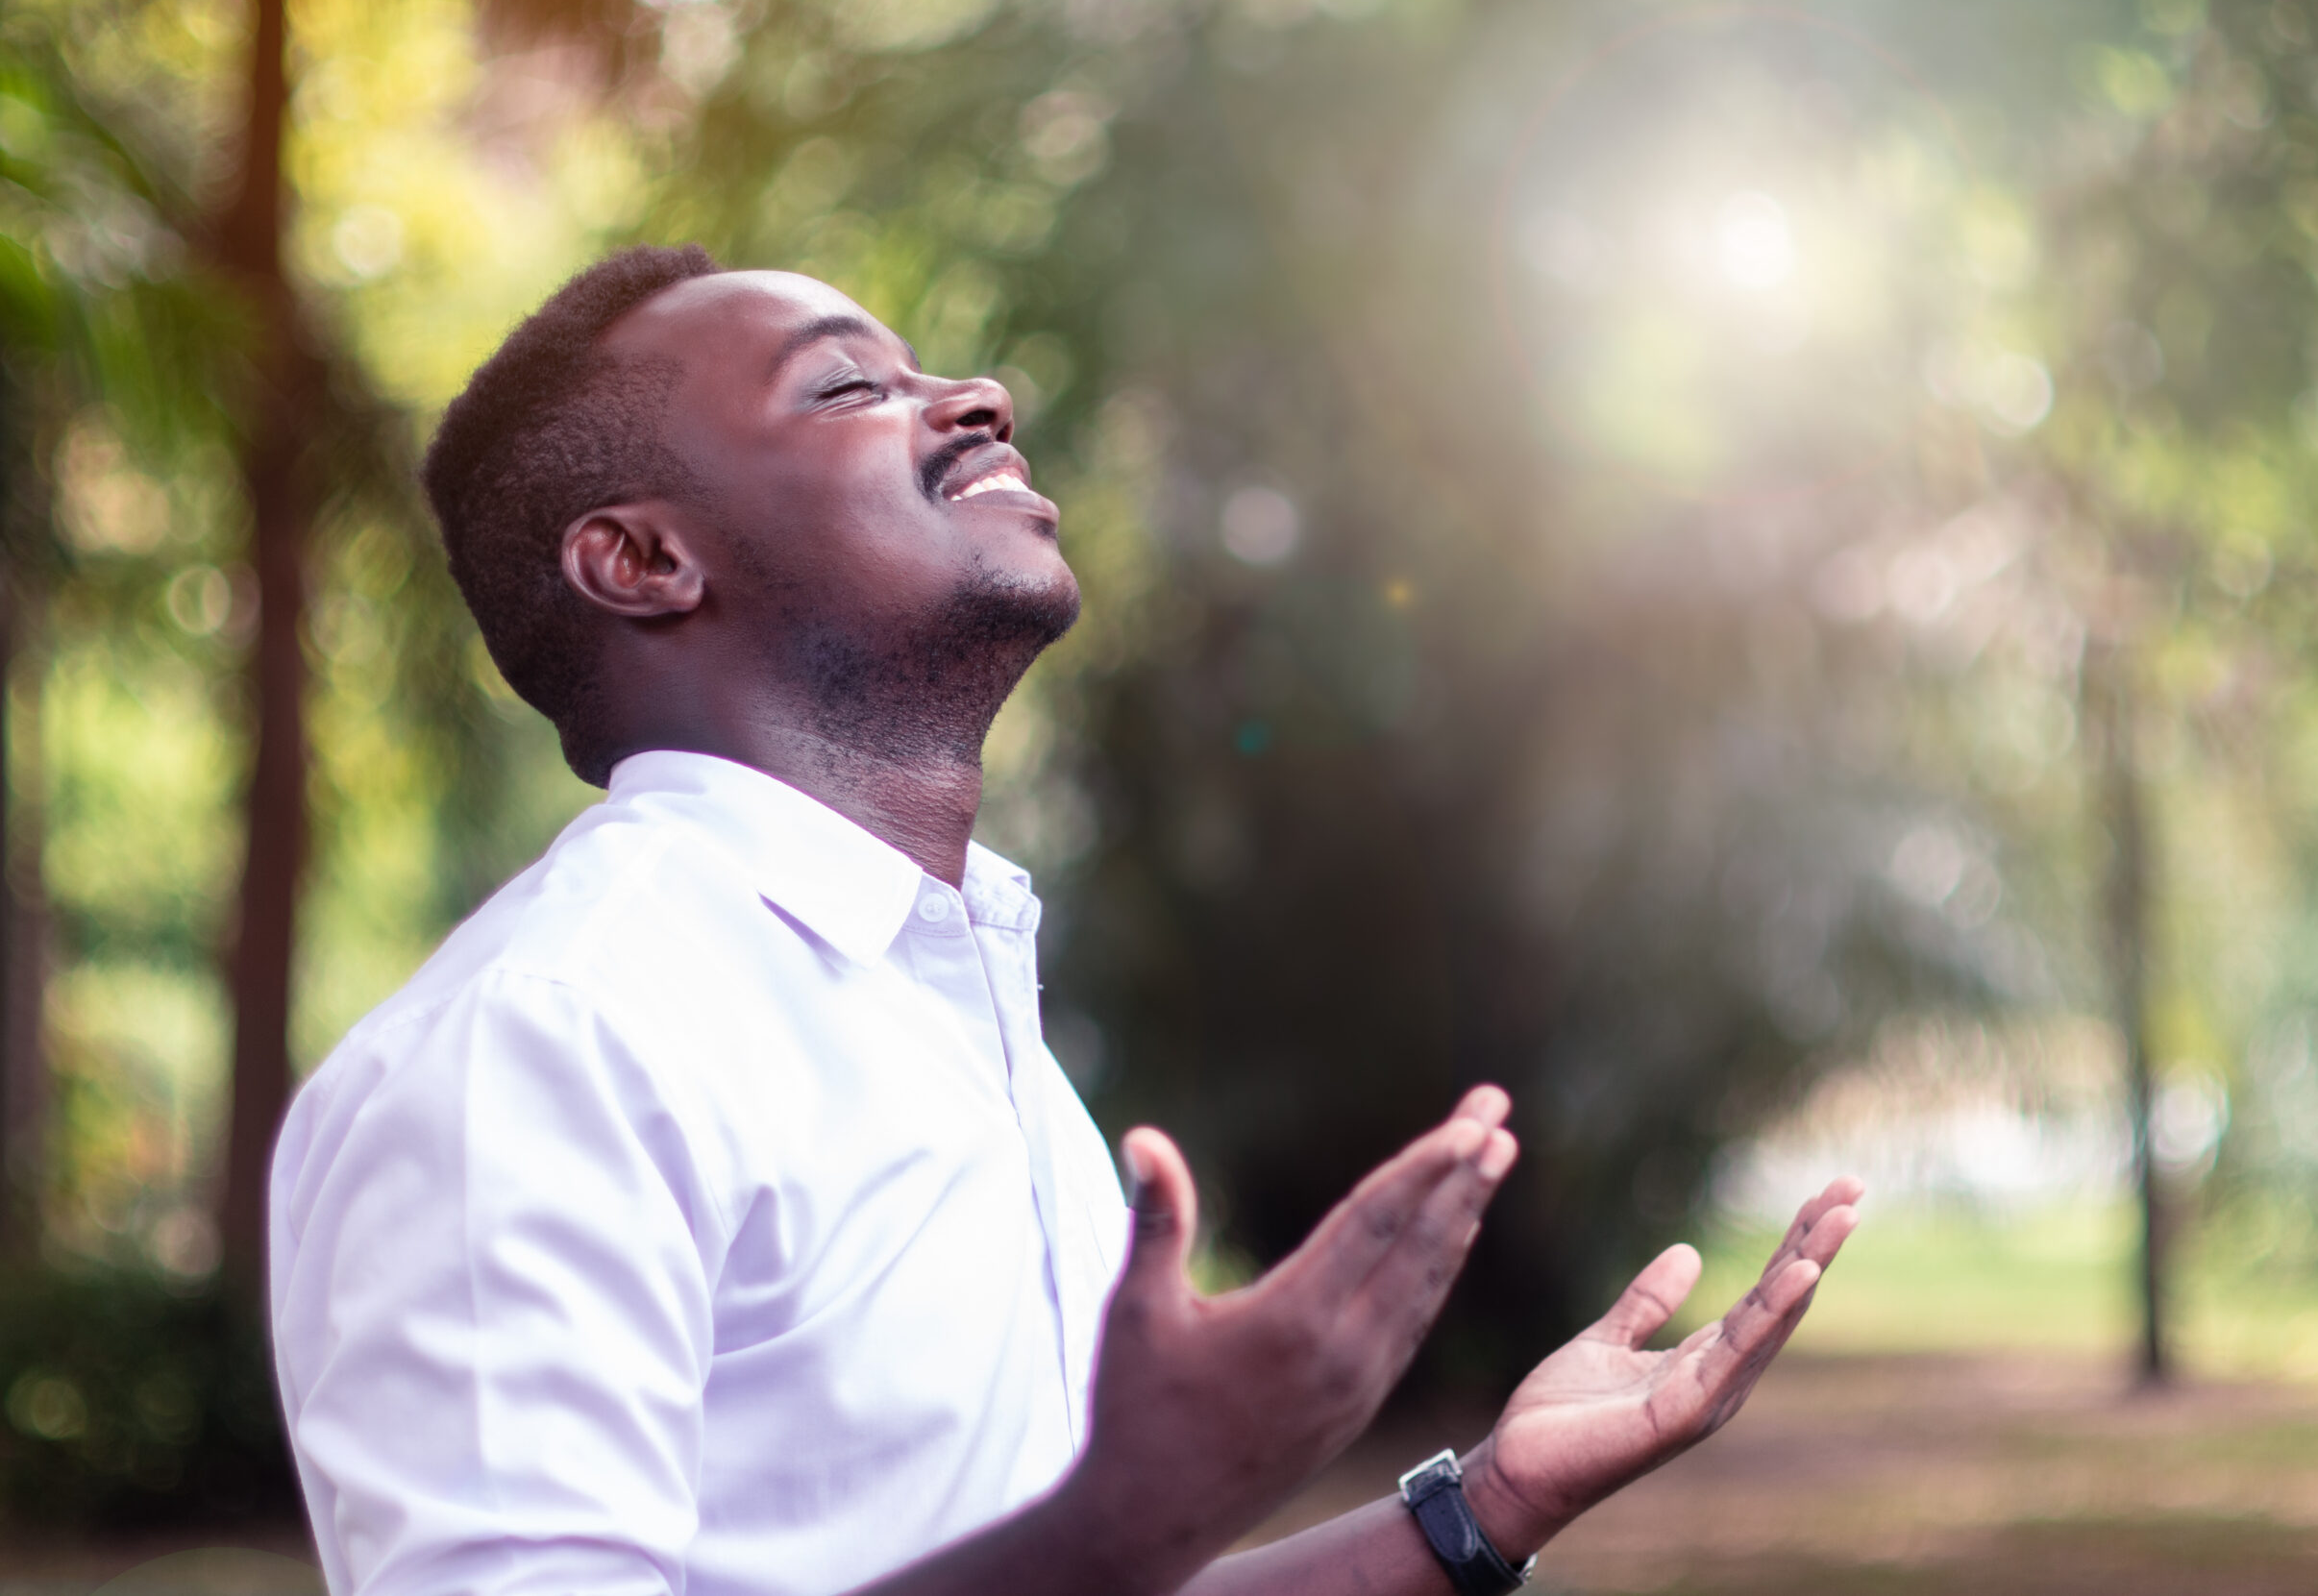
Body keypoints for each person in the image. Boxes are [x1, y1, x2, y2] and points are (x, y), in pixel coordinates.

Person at [266, 243, 1861, 1596]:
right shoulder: (541, 1046)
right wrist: (1128, 1512)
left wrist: (1476, 1513)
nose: (976, 401)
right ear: (643, 559)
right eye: (844, 388)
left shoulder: (949, 1006)